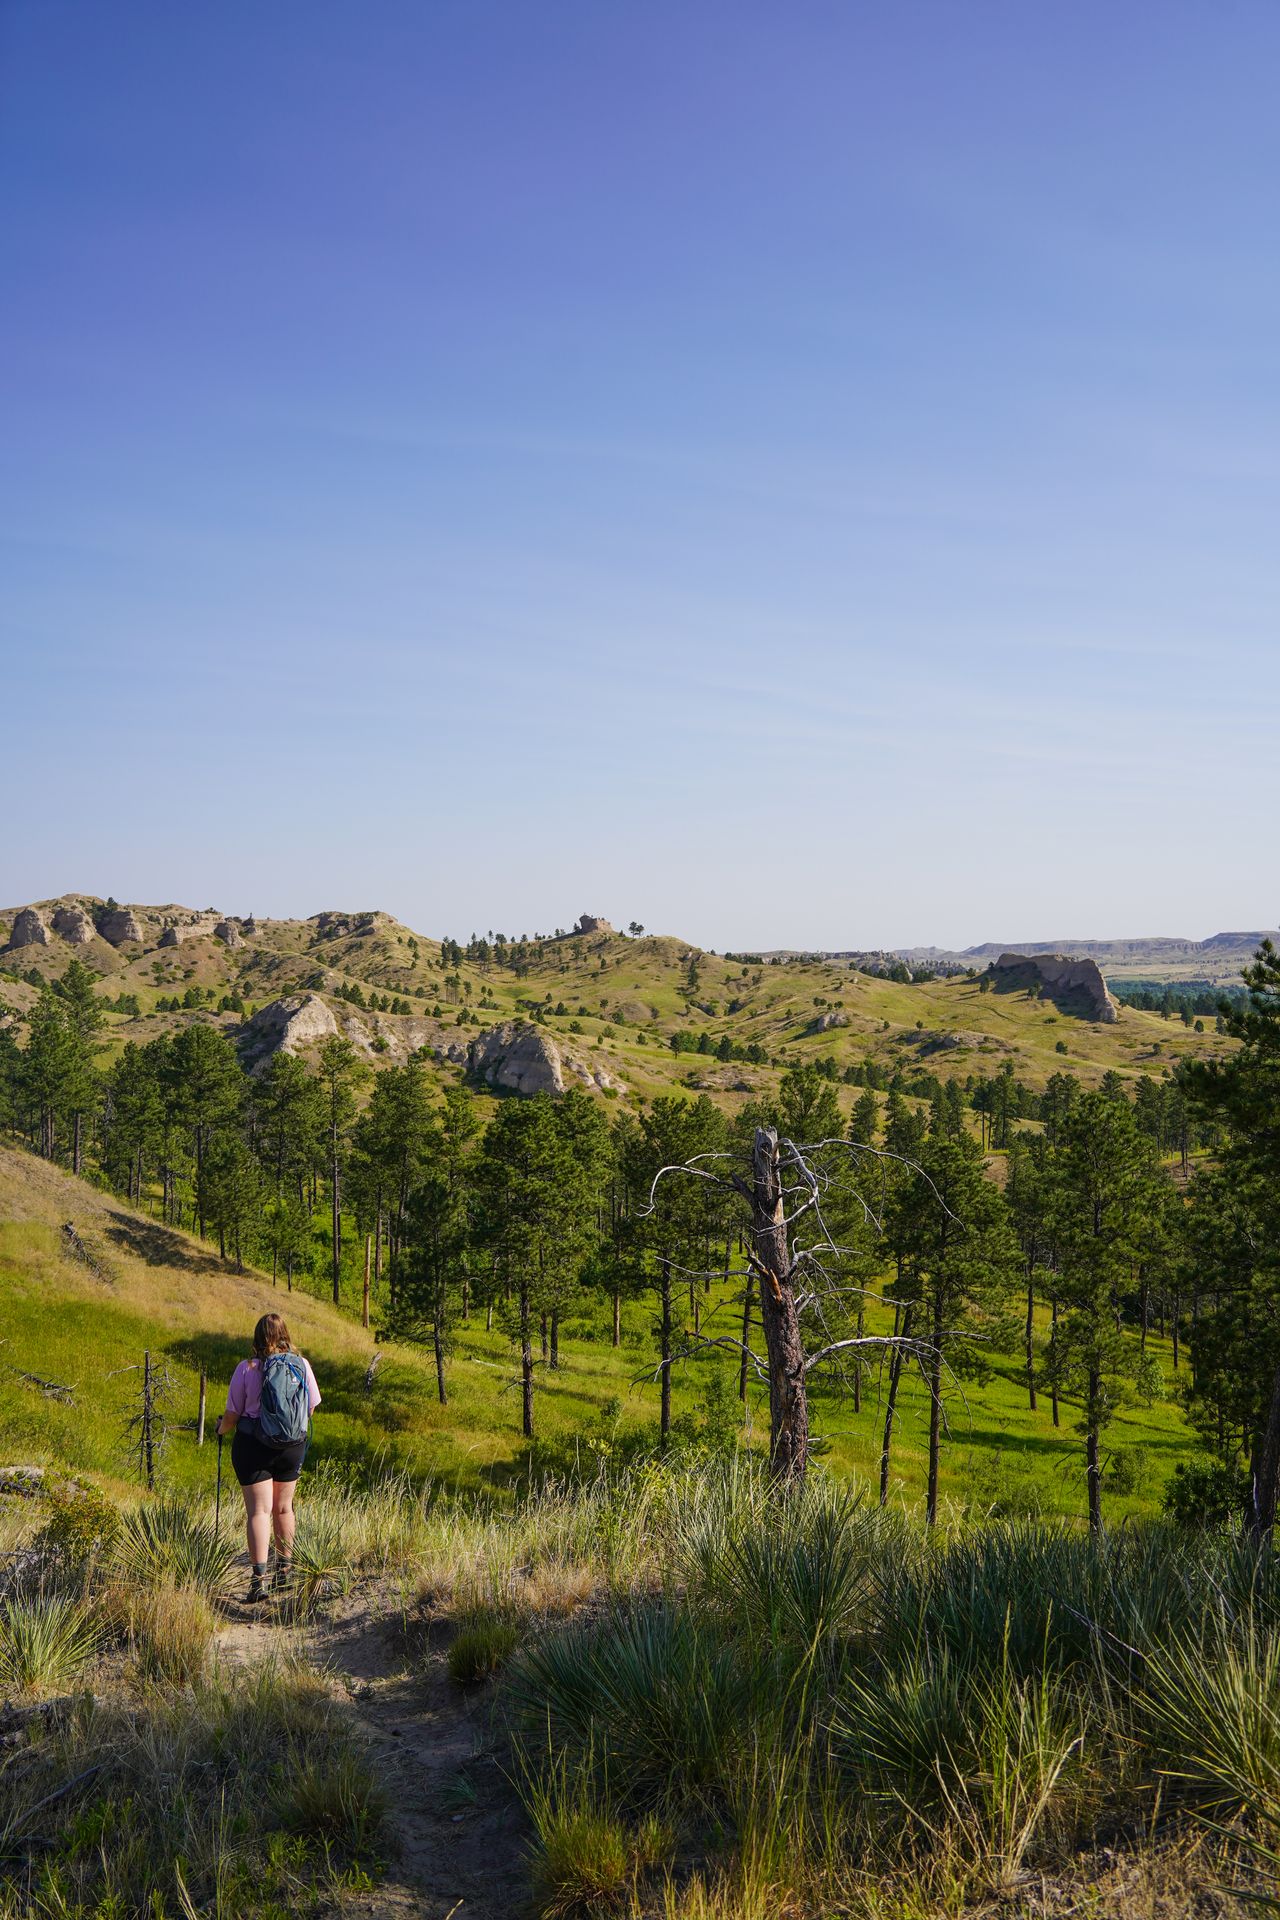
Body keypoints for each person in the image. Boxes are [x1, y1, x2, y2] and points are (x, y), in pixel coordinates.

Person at [216, 1312, 321, 1602]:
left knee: (259, 1512)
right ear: (285, 1334)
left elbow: (233, 1415)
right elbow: (311, 1407)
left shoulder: (247, 1368)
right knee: (284, 1509)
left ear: (257, 1337)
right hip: (292, 1446)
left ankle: (258, 1582)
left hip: (253, 1446)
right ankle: (284, 1575)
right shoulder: (302, 1365)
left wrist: (221, 1429)